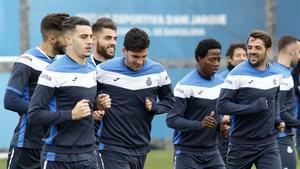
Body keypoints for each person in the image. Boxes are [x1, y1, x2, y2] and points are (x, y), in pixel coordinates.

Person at [95, 28, 175, 169]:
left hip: (141, 147)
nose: (140, 62)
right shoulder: (103, 70)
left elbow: (169, 101)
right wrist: (97, 104)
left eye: (144, 57)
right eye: (135, 57)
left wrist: (155, 108)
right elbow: (89, 98)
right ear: (124, 50)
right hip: (111, 147)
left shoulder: (158, 72)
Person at [27, 16, 101, 169]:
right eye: (83, 37)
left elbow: (87, 107)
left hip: (88, 156)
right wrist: (71, 114)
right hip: (58, 158)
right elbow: (34, 115)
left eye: (91, 37)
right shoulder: (53, 72)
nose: (90, 41)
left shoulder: (93, 70)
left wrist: (98, 104)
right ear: (68, 40)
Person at [4, 13, 69, 169]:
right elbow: (10, 100)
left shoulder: (59, 64)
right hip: (26, 145)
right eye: (66, 38)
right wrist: (43, 112)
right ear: (52, 39)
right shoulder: (28, 61)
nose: (69, 42)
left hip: (51, 144)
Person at [216, 30, 283, 169]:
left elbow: (275, 98)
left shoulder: (276, 74)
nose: (252, 51)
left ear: (268, 51)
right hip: (241, 144)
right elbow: (222, 106)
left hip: (268, 144)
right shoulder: (236, 74)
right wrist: (251, 108)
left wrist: (277, 119)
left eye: (258, 48)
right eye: (250, 47)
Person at [166, 38, 225, 169]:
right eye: (212, 59)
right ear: (200, 59)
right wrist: (200, 124)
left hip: (213, 152)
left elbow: (221, 113)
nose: (216, 63)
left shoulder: (222, 83)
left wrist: (222, 125)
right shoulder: (184, 85)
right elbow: (171, 120)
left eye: (218, 59)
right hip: (187, 153)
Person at [273, 35, 300, 169]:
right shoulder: (282, 76)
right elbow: (280, 111)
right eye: (299, 52)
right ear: (292, 51)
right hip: (280, 136)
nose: (299, 57)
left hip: (283, 135)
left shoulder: (283, 72)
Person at [217, 42, 247, 163]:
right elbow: (218, 106)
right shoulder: (221, 79)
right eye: (238, 55)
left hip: (245, 134)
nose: (242, 58)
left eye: (245, 55)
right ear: (230, 59)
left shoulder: (250, 78)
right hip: (226, 134)